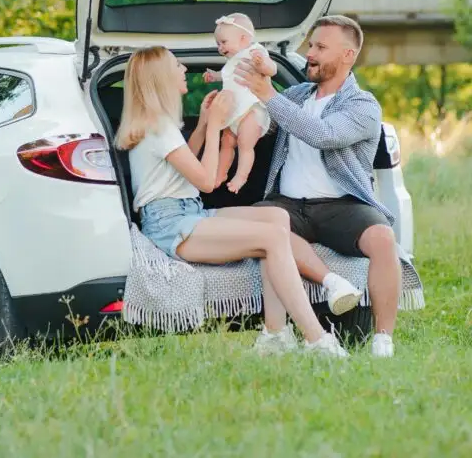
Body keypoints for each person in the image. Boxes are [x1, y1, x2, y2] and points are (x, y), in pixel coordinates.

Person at [115, 45, 354, 357]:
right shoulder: (159, 127)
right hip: (171, 225)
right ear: (160, 77)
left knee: (277, 219)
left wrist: (202, 125)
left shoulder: (158, 124)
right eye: (177, 66)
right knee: (271, 237)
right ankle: (317, 339)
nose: (184, 70)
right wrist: (215, 126)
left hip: (188, 214)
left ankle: (274, 334)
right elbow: (205, 179)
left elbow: (186, 160)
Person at [235, 15, 402, 358]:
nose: (309, 53)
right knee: (258, 224)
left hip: (342, 204)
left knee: (384, 239)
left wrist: (269, 95)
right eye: (310, 45)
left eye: (320, 47)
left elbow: (323, 135)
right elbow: (262, 124)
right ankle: (328, 285)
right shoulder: (296, 95)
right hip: (288, 204)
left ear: (347, 55)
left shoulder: (363, 105)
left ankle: (383, 339)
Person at [201, 13, 274, 194]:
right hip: (233, 111)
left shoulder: (255, 52)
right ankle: (220, 173)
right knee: (226, 142)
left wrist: (262, 64)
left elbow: (272, 69)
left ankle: (241, 176)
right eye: (218, 43)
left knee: (244, 142)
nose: (220, 47)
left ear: (244, 39)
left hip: (252, 110)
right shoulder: (231, 61)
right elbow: (228, 74)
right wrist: (214, 76)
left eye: (223, 42)